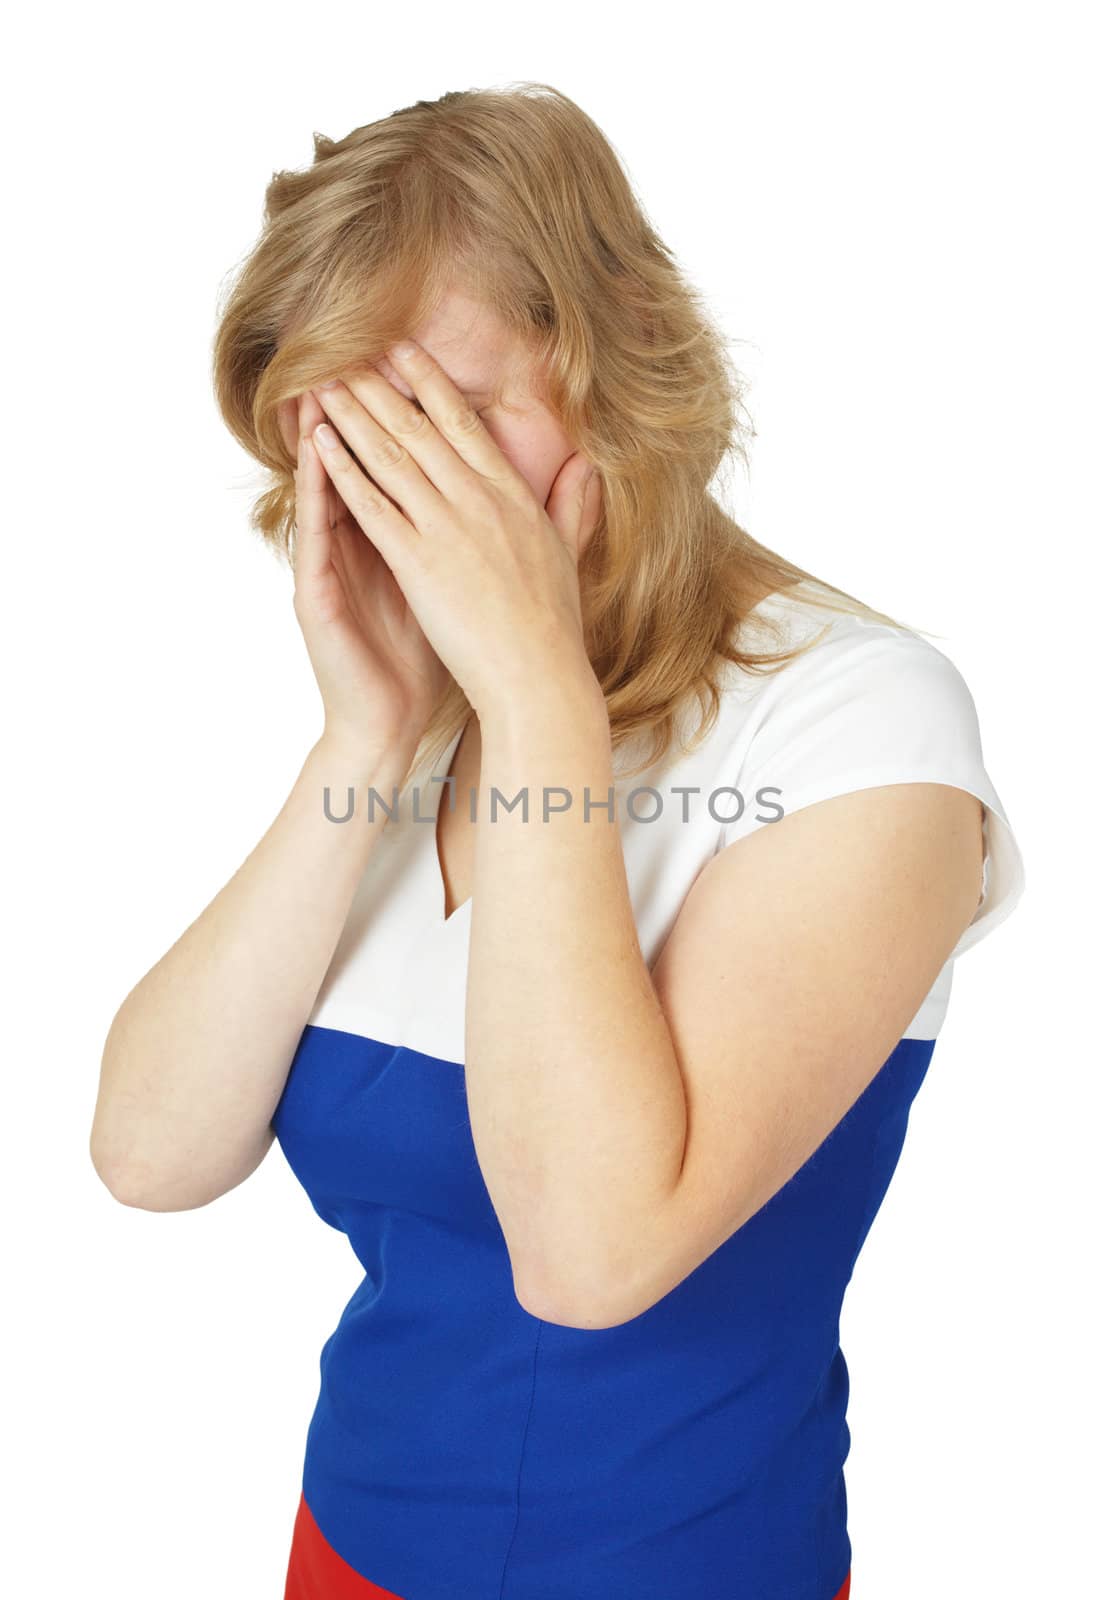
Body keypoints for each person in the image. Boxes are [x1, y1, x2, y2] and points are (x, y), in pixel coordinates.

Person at [90, 84, 1025, 1600]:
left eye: (453, 415)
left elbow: (594, 1258)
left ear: (619, 367)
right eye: (362, 434)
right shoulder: (413, 716)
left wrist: (538, 703)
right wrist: (366, 741)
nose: (414, 485)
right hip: (343, 1554)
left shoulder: (862, 723)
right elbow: (147, 1153)